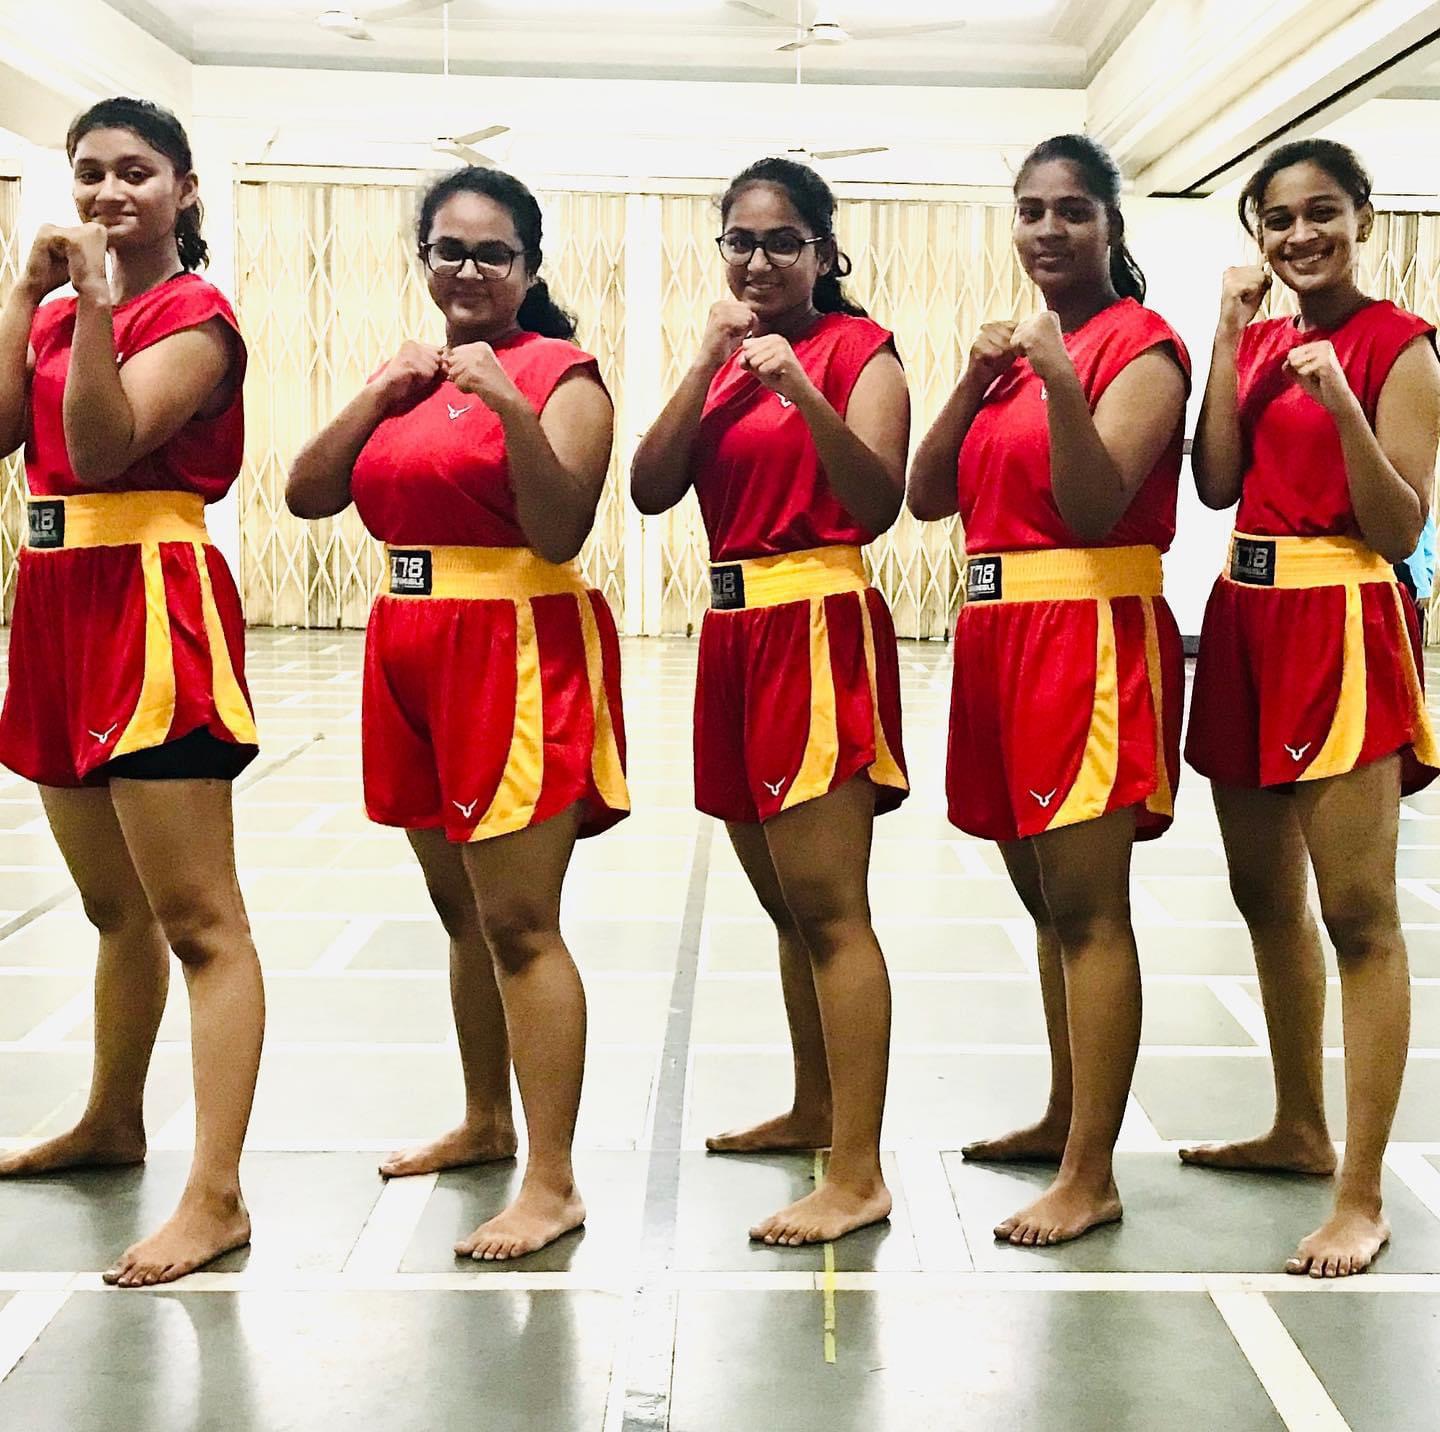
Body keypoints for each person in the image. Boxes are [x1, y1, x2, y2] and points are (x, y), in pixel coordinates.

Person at [287, 165, 625, 1261]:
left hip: (513, 647)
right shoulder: (406, 375)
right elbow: (306, 492)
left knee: (520, 921)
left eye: (492, 253)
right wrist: (376, 393)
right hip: (408, 646)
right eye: (449, 250)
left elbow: (562, 527)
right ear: (424, 258)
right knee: (461, 915)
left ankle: (554, 1179)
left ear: (529, 266)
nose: (468, 270)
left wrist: (509, 403)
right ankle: (486, 1120)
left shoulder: (563, 374)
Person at [908, 133, 1190, 1247]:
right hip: (997, 633)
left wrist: (1063, 376)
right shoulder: (1015, 356)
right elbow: (928, 495)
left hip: (1090, 633)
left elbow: (1090, 504)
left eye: (1072, 210)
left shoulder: (1144, 347)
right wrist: (973, 380)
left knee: (1089, 908)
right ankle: (1067, 1116)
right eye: (1030, 211)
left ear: (1111, 225)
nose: (1048, 230)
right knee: (1044, 904)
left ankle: (1092, 1174)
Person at [0, 97, 263, 1287]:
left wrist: (96, 307)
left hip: (153, 605)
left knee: (201, 920)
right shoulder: (60, 312)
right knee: (114, 909)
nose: (110, 192)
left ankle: (218, 1195)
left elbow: (103, 448)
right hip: (56, 602)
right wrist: (25, 297)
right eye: (91, 172)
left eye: (138, 172)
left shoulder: (196, 316)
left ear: (184, 190)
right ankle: (111, 1120)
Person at [632, 157, 910, 1245]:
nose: (758, 260)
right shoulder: (725, 360)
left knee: (833, 909)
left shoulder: (860, 350)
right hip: (734, 633)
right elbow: (652, 488)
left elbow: (877, 501)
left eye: (783, 241)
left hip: (817, 625)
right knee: (787, 908)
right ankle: (813, 1104)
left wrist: (801, 389)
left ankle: (861, 1170)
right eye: (740, 241)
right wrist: (702, 362)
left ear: (824, 252)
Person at [1183, 139, 1440, 1278]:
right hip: (1245, 616)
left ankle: (1362, 1193)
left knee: (1359, 913)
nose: (1300, 236)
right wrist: (1226, 336)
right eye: (1278, 220)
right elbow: (1215, 482)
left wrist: (1340, 400)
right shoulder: (1260, 339)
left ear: (1363, 218)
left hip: (1343, 620)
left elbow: (1400, 526)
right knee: (1262, 896)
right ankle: (1297, 1125)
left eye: (1322, 212)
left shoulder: (1402, 344)